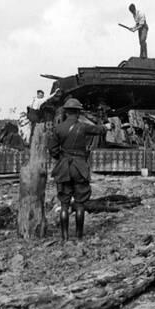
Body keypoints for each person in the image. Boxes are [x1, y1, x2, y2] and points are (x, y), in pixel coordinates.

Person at [48, 98, 112, 240]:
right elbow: (99, 130)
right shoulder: (83, 127)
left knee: (64, 205)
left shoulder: (58, 128)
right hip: (80, 168)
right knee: (79, 204)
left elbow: (52, 149)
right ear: (78, 112)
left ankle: (64, 238)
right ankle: (79, 237)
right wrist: (107, 126)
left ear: (66, 112)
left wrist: (63, 157)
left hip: (64, 168)